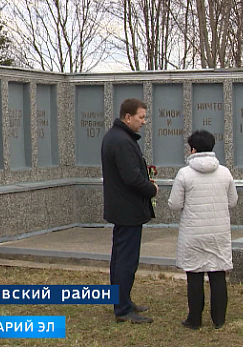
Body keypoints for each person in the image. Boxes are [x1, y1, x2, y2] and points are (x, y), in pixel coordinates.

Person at [167, 130, 238, 330]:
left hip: (193, 233)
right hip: (218, 232)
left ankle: (194, 319)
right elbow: (233, 201)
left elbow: (174, 204)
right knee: (217, 274)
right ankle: (219, 319)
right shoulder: (224, 172)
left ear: (193, 149)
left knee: (195, 275)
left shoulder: (184, 173)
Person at [101, 98, 158, 324]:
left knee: (119, 259)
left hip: (122, 208)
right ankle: (123, 309)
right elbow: (132, 178)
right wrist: (151, 189)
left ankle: (122, 300)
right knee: (126, 260)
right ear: (128, 117)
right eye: (141, 117)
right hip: (127, 209)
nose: (144, 121)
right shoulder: (122, 141)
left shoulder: (115, 137)